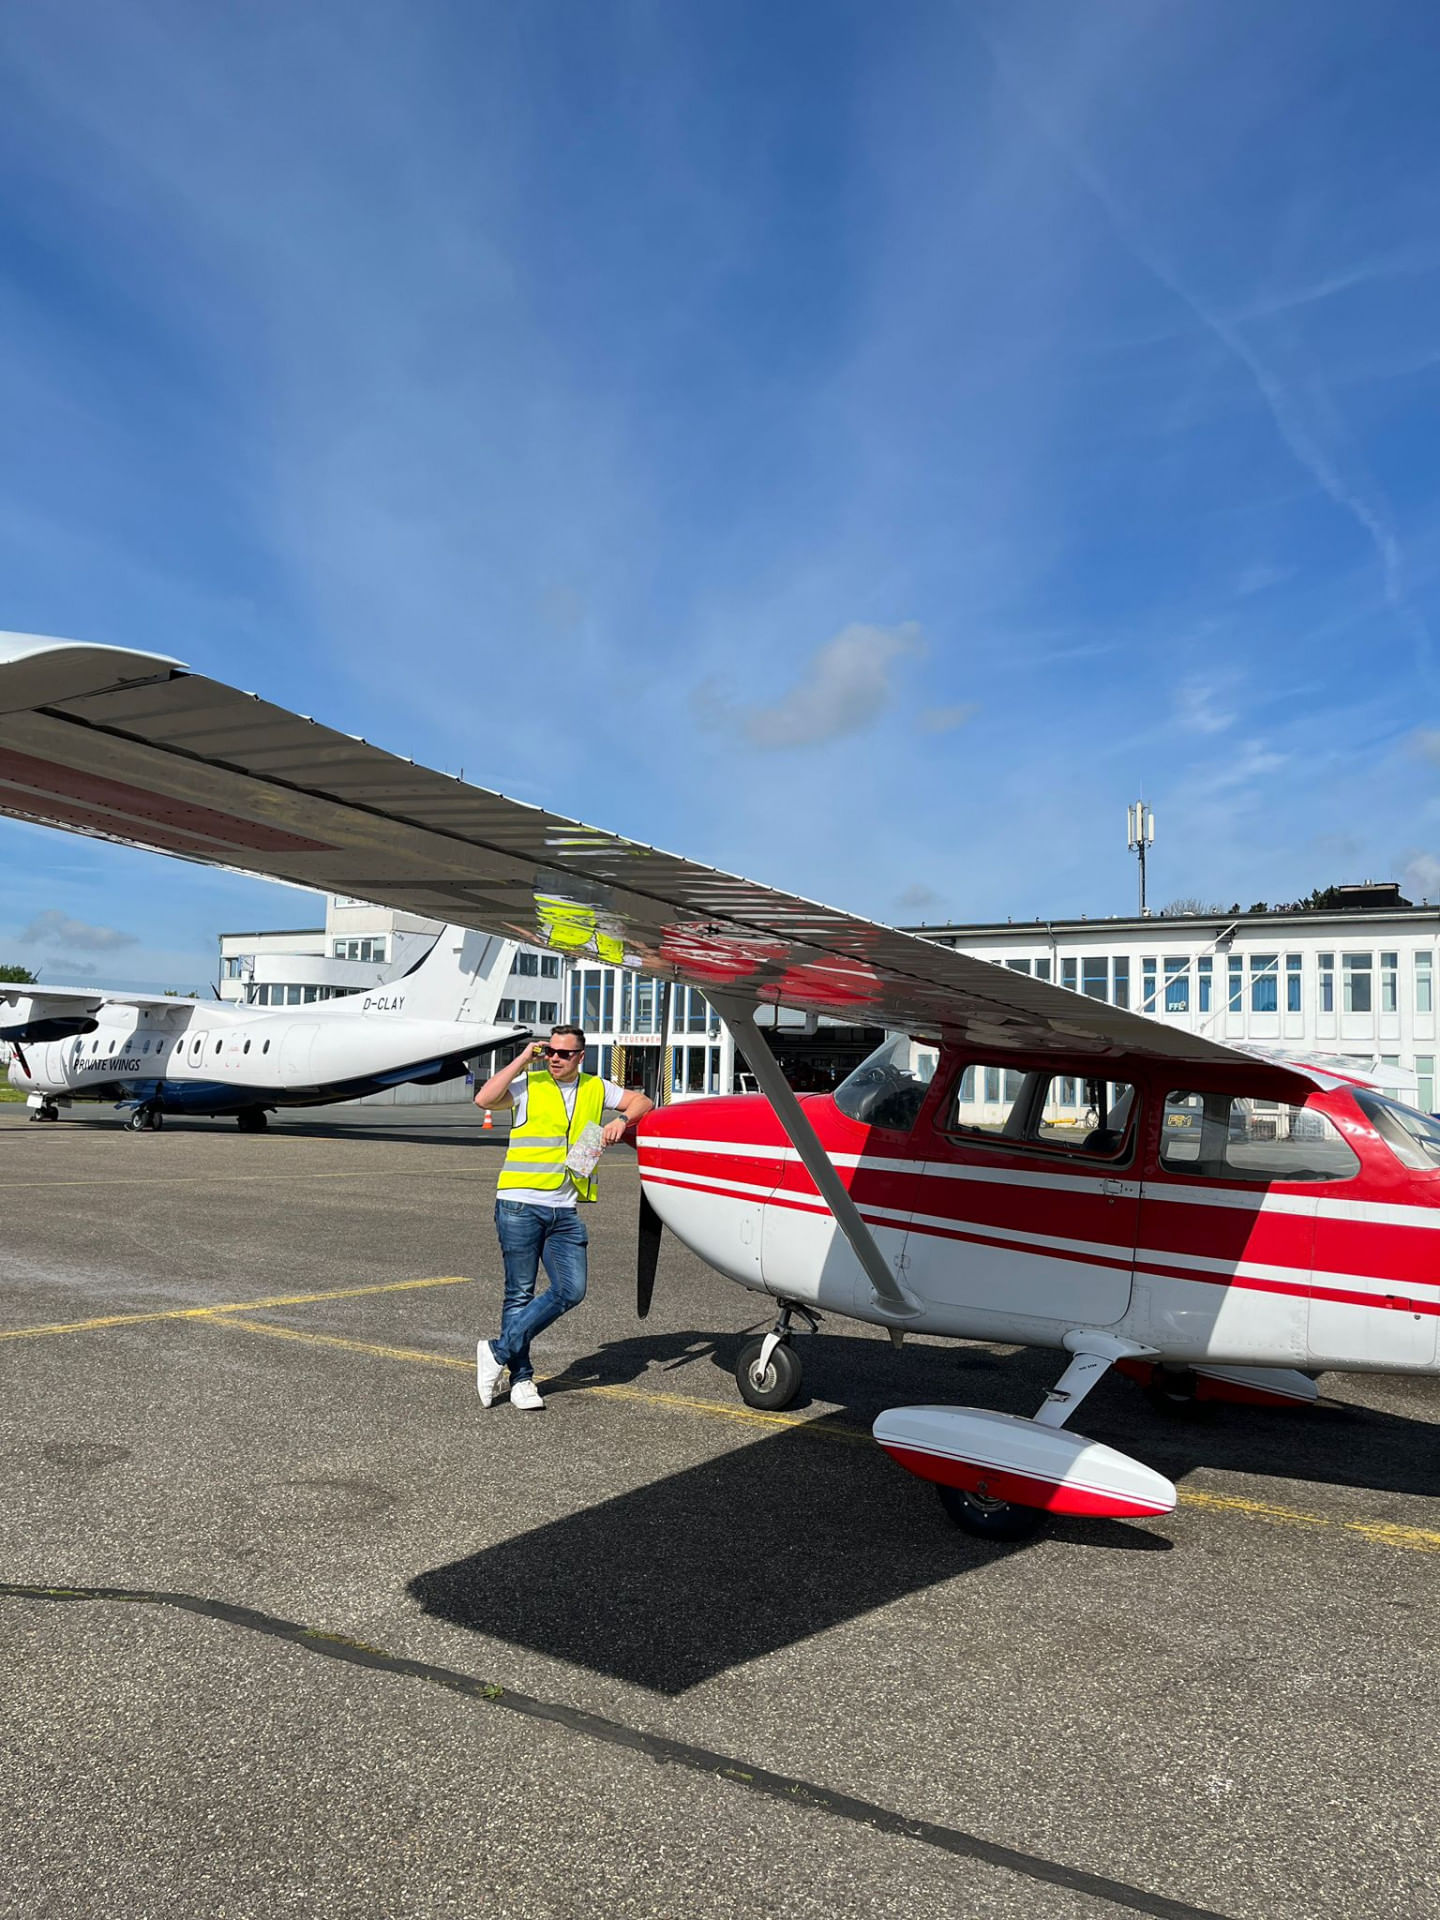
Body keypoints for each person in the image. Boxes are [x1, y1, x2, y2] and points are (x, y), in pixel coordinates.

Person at [473, 1025, 653, 1410]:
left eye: (564, 1053)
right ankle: (521, 1379)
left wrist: (622, 1121)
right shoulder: (528, 1084)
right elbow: (484, 1098)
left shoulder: (596, 1088)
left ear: (580, 1056)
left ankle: (496, 1350)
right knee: (519, 1293)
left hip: (565, 1209)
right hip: (520, 1202)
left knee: (572, 1289)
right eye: (551, 1051)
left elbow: (643, 1101)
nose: (555, 1058)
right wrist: (524, 1057)